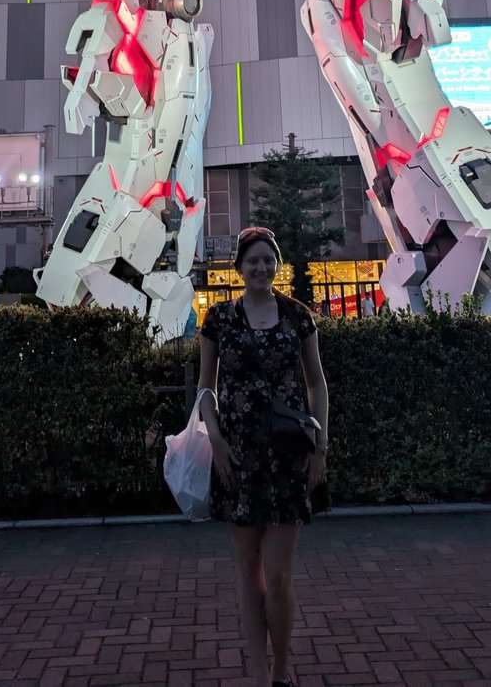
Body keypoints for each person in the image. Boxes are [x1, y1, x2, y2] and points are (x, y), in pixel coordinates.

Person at [198, 226, 330, 687]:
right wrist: (214, 438)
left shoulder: (298, 317)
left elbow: (317, 383)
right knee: (246, 573)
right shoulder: (217, 319)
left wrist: (321, 447)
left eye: (268, 260)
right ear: (239, 267)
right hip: (237, 459)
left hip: (288, 457)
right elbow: (205, 390)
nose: (260, 268)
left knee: (278, 575)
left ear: (277, 265)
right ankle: (258, 673)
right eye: (252, 260)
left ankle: (281, 670)